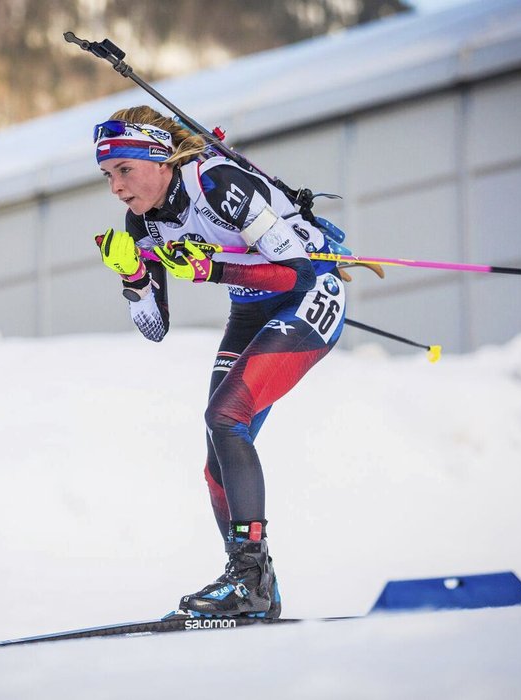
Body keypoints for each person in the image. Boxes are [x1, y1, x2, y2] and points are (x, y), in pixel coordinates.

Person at [93, 106, 347, 619]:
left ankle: (249, 580)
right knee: (216, 465)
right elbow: (155, 328)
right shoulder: (141, 220)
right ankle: (256, 586)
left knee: (224, 417)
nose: (116, 188)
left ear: (160, 159)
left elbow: (296, 273)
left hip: (309, 294)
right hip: (251, 308)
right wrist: (133, 277)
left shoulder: (217, 183)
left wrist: (213, 268)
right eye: (107, 175)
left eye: (124, 170)